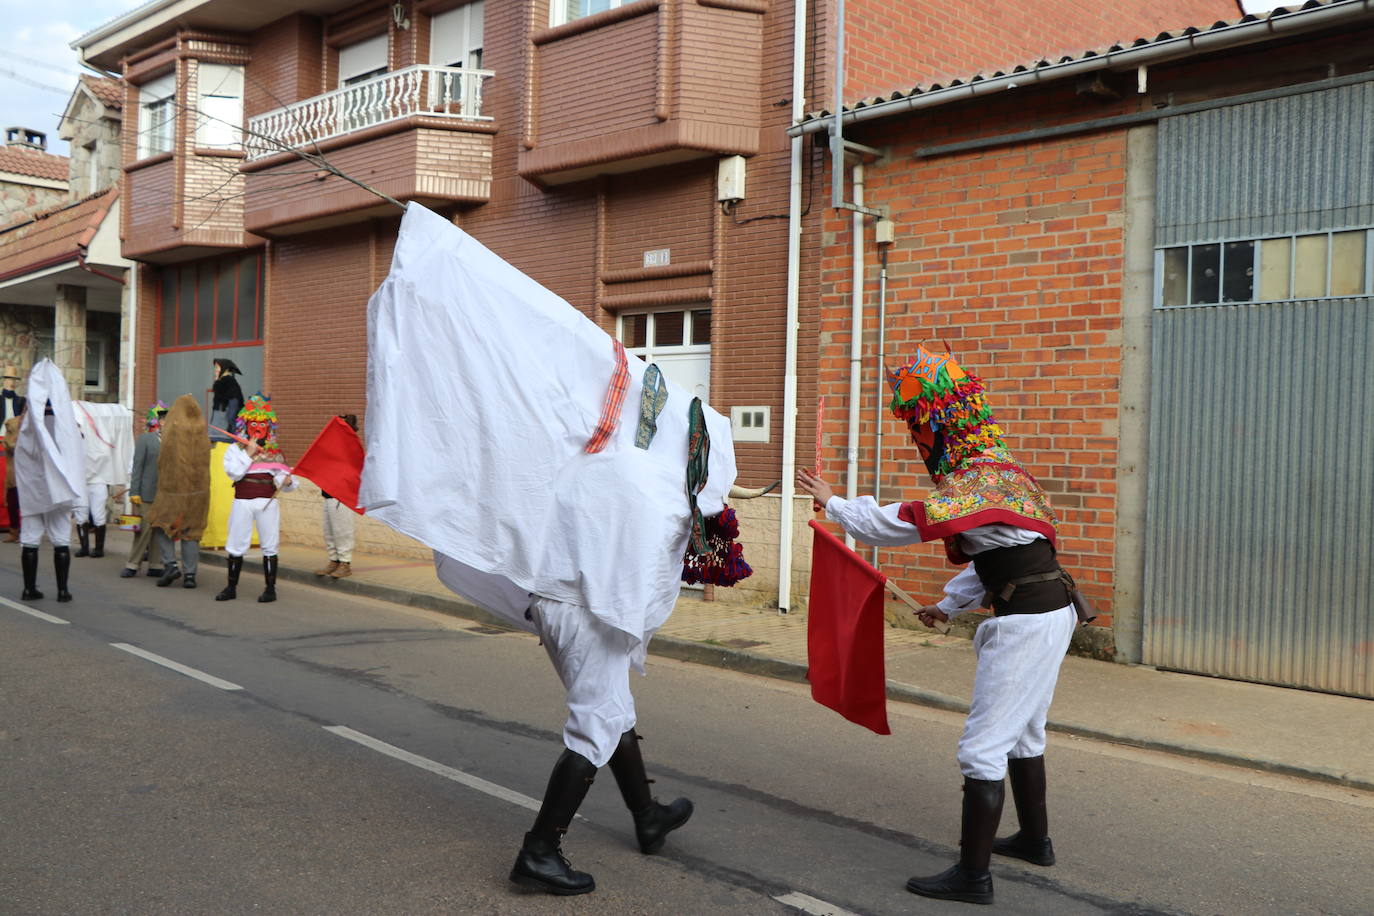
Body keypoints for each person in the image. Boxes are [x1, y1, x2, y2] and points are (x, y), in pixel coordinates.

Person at [796, 345, 1080, 907]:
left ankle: (973, 878)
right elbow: (998, 556)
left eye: (920, 427)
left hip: (1029, 623)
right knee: (1024, 732)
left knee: (983, 748)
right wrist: (949, 607)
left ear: (944, 423)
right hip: (1048, 612)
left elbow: (905, 522)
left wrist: (835, 504)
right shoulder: (1006, 474)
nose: (920, 440)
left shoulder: (978, 483)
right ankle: (1034, 839)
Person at [13, 359, 84, 602]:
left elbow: (20, 458)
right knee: (61, 540)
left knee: (30, 539)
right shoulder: (67, 426)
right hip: (60, 493)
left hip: (33, 492)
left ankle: (29, 588)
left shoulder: (29, 429)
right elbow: (76, 456)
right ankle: (63, 591)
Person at [217, 393, 296, 603]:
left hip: (267, 503)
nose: (258, 428)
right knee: (236, 544)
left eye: (263, 423)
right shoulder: (234, 450)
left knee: (270, 545)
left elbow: (282, 478)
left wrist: (287, 482)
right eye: (254, 423)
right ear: (245, 424)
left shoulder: (274, 452)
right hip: (242, 501)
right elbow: (234, 473)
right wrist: (248, 454)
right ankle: (231, 587)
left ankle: (270, 589)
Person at [146, 395, 211, 589]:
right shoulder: (203, 435)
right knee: (192, 532)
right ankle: (190, 575)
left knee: (160, 523)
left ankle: (171, 564)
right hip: (198, 493)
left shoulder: (172, 433)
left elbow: (163, 462)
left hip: (173, 490)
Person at [120, 402, 174, 579]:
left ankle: (155, 563)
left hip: (166, 494)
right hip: (146, 492)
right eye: (164, 419)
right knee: (144, 529)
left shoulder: (174, 442)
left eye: (169, 420)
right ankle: (132, 564)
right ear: (159, 421)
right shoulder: (145, 439)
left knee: (160, 529)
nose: (166, 422)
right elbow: (137, 467)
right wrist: (134, 491)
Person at [314, 413, 359, 580]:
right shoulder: (333, 450)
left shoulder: (350, 449)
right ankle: (334, 559)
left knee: (342, 530)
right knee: (330, 531)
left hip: (342, 497)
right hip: (328, 495)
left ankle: (345, 562)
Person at [3, 411, 21, 543]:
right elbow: (9, 444)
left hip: (33, 472)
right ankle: (14, 531)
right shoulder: (12, 423)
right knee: (13, 500)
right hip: (15, 470)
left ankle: (29, 530)